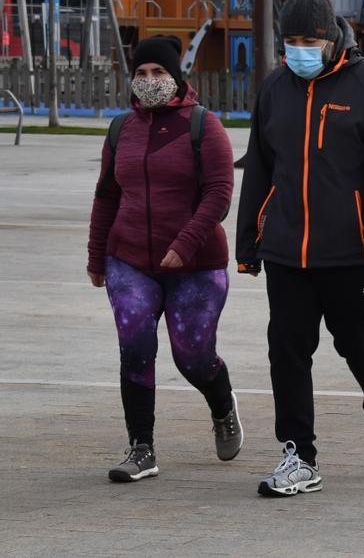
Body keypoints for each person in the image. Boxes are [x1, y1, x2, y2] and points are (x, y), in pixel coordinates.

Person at [236, 0, 364, 497]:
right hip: (287, 250)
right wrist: (249, 243)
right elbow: (259, 171)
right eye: (291, 41)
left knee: (358, 343)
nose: (300, 51)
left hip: (352, 251)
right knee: (286, 351)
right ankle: (299, 456)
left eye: (309, 40)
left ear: (332, 38)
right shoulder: (275, 89)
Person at [87, 35, 242, 482]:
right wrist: (97, 257)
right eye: (141, 73)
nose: (149, 80)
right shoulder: (120, 130)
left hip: (195, 264)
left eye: (158, 73)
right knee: (135, 347)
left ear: (176, 78)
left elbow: (219, 193)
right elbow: (105, 196)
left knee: (192, 355)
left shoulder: (203, 126)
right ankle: (142, 449)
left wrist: (185, 243)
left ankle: (222, 403)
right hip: (130, 258)